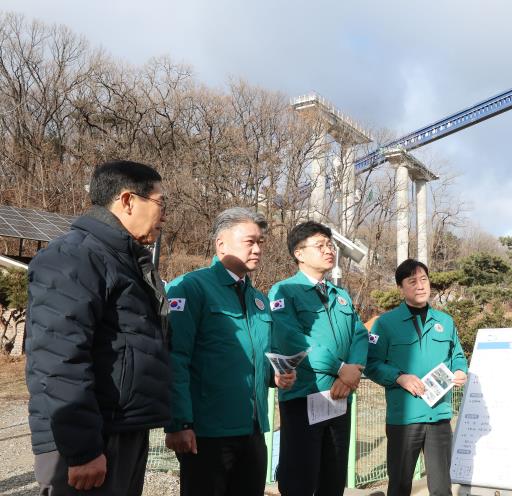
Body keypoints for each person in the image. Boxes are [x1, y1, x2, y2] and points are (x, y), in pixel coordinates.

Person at [26, 160, 171, 495]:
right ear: (127, 200)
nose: (164, 215)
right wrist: (83, 449)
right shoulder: (74, 256)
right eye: (160, 203)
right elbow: (57, 359)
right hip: (89, 439)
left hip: (121, 427)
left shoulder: (125, 261)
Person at [164, 207, 296, 496]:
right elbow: (175, 357)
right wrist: (179, 423)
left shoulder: (259, 300)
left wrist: (276, 375)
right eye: (250, 241)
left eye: (260, 242)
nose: (258, 249)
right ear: (221, 244)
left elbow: (262, 355)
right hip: (207, 432)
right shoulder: (190, 288)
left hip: (252, 428)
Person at [268, 220, 368, 496]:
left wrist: (353, 371)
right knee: (300, 479)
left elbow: (360, 335)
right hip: (304, 396)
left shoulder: (341, 295)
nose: (328, 250)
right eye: (320, 245)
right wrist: (339, 367)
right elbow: (291, 338)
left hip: (339, 397)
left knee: (333, 478)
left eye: (330, 245)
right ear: (299, 253)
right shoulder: (283, 291)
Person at [365, 259, 468, 496]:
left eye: (424, 280)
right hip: (404, 418)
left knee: (442, 488)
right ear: (401, 288)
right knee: (400, 485)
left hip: (439, 416)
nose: (420, 286)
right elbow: (371, 364)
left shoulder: (445, 322)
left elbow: (457, 356)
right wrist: (399, 377)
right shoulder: (385, 324)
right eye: (412, 281)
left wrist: (461, 370)